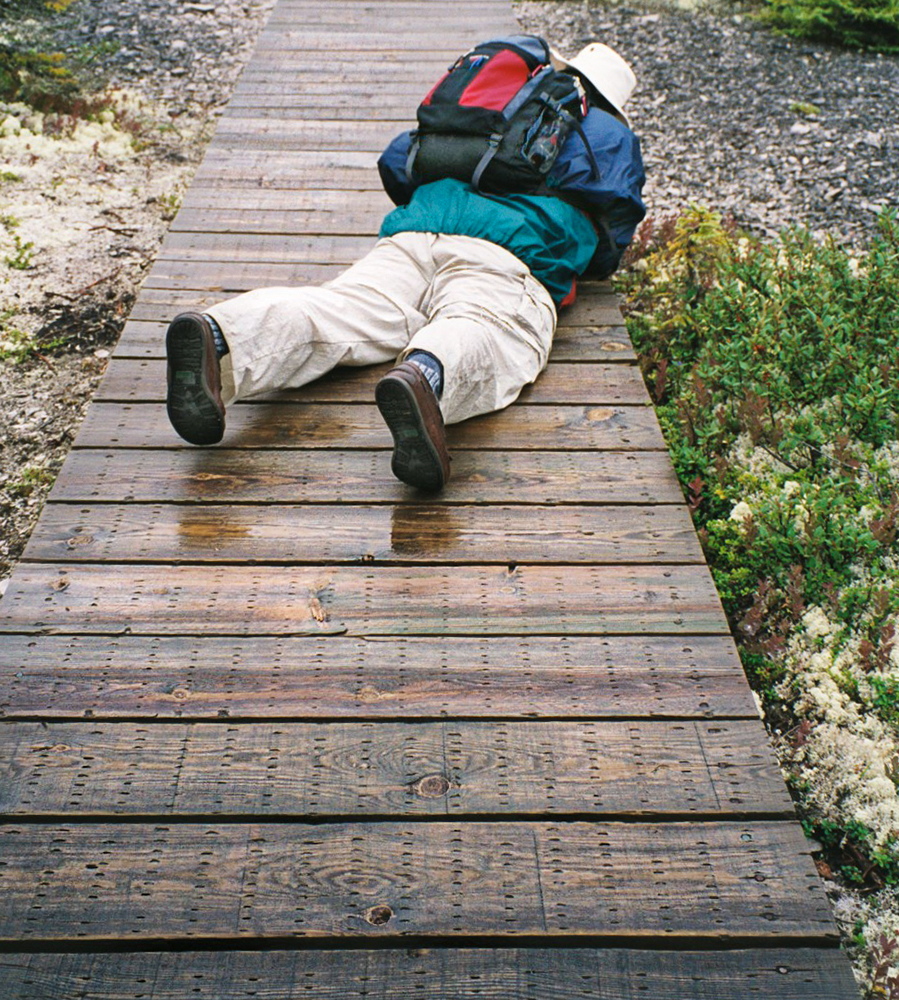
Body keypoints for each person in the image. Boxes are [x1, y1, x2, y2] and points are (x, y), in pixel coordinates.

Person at [164, 38, 646, 491]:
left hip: (415, 233)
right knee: (488, 326)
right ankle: (427, 377)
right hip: (507, 253)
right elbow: (607, 250)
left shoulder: (504, 101)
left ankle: (222, 335)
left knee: (340, 307)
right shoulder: (606, 134)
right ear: (615, 102)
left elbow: (399, 163)